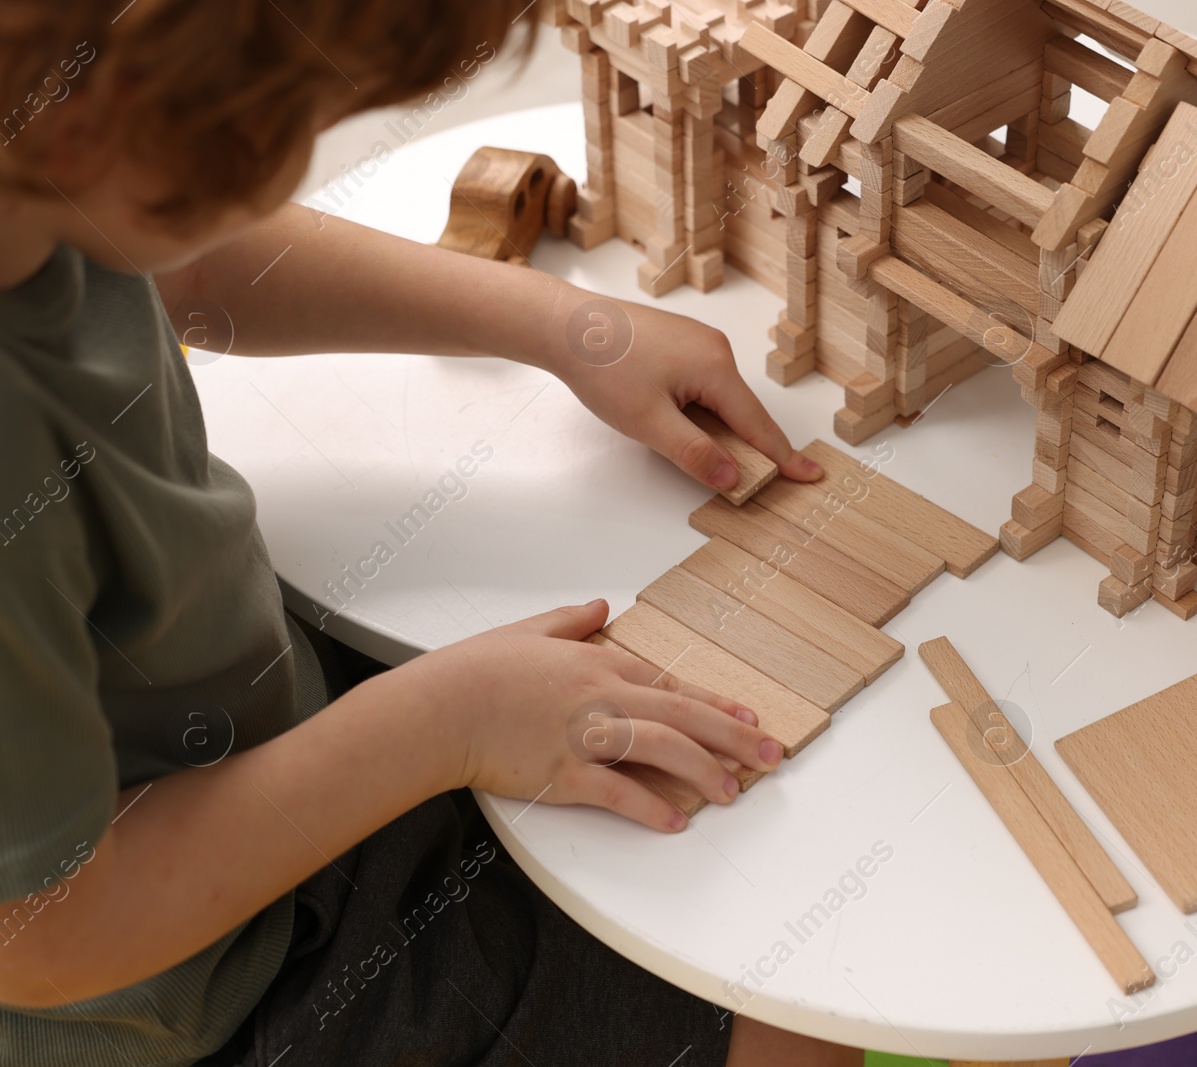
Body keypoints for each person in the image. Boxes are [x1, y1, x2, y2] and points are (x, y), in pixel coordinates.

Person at [0, 2, 862, 1064]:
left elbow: (189, 263)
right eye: (278, 136)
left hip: (237, 722)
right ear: (97, 121)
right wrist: (446, 720)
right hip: (191, 989)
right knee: (797, 1012)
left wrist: (560, 327)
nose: (289, 175)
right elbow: (41, 932)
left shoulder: (48, 164)